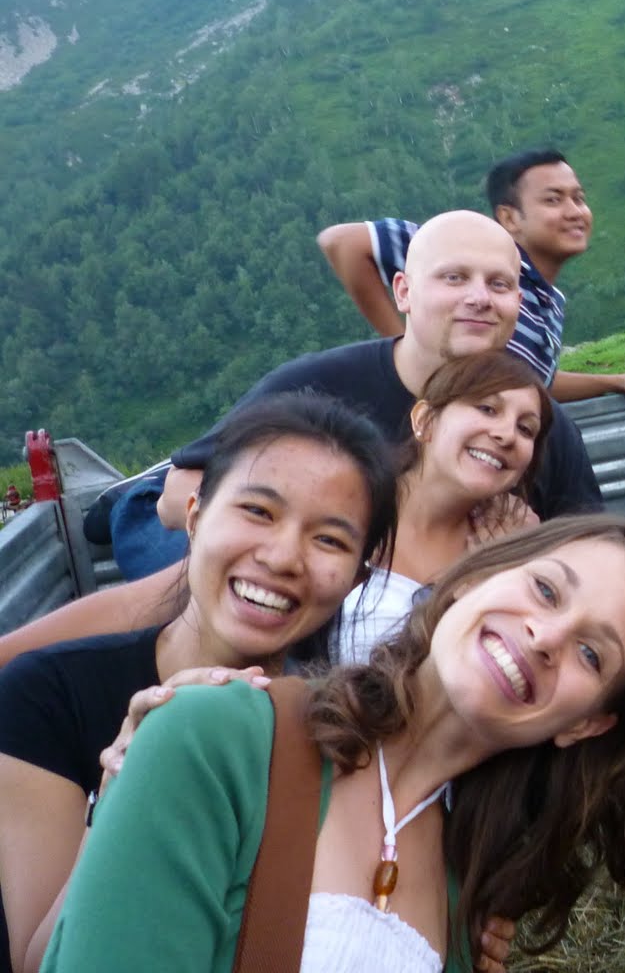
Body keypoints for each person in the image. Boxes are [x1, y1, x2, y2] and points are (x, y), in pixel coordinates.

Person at [41, 514, 625, 972]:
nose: (545, 637)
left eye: (592, 655)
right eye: (545, 590)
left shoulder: (473, 898)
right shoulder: (212, 740)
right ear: (473, 579)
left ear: (586, 724)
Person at [0, 212, 602, 669]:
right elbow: (179, 497)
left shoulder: (540, 430)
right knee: (205, 584)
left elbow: (594, 571)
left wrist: (531, 550)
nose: (479, 297)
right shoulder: (320, 388)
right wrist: (333, 534)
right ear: (404, 292)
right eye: (454, 277)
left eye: (499, 284)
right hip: (207, 551)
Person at [0, 394, 398, 973]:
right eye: (258, 511)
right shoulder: (46, 695)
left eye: (330, 540)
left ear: (356, 579)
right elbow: (38, 960)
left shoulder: (334, 733)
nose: (283, 557)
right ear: (194, 516)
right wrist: (124, 786)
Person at [317, 148, 625, 404]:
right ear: (509, 218)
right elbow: (342, 242)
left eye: (578, 198)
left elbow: (533, 384)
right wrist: (404, 344)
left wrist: (617, 381)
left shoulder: (547, 303)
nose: (574, 211)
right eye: (553, 200)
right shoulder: (460, 251)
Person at [337, 349, 552, 665]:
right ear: (425, 420)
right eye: (487, 408)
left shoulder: (513, 544)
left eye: (526, 429)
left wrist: (503, 573)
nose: (507, 435)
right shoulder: (347, 507)